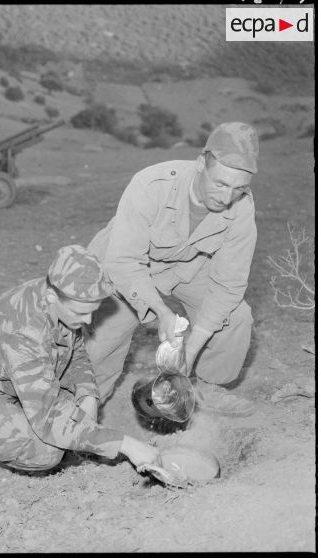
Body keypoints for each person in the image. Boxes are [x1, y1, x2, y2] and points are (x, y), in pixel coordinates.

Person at [0, 245, 160, 480]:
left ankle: (11, 420)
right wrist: (126, 445)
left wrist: (87, 395)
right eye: (82, 313)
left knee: (75, 421)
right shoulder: (24, 332)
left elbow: (76, 354)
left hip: (10, 383)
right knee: (47, 451)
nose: (88, 320)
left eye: (93, 311)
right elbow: (49, 419)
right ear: (53, 297)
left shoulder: (60, 299)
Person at [84, 122, 259, 417]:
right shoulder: (152, 185)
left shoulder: (241, 207)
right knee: (99, 346)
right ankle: (79, 413)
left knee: (235, 318)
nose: (228, 198)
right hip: (127, 266)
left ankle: (207, 390)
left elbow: (228, 284)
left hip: (188, 266)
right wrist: (159, 311)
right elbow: (124, 261)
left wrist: (191, 351)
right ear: (201, 163)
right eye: (221, 184)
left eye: (239, 189)